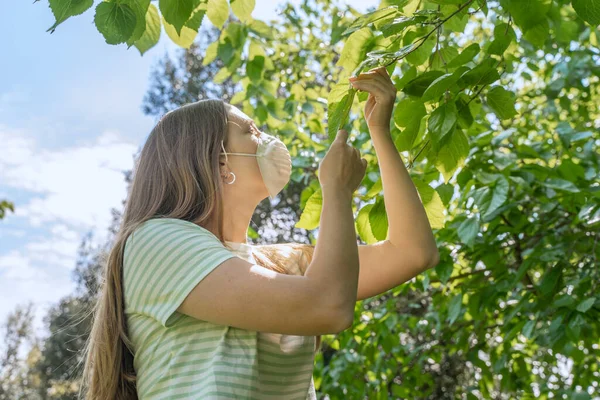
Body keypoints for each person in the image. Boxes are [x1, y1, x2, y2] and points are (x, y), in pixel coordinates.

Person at [78, 98, 367, 399]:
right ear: (220, 160)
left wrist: (380, 128)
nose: (266, 138)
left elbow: (410, 251)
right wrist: (337, 190)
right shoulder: (156, 241)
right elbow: (328, 304)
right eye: (250, 130)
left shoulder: (274, 264)